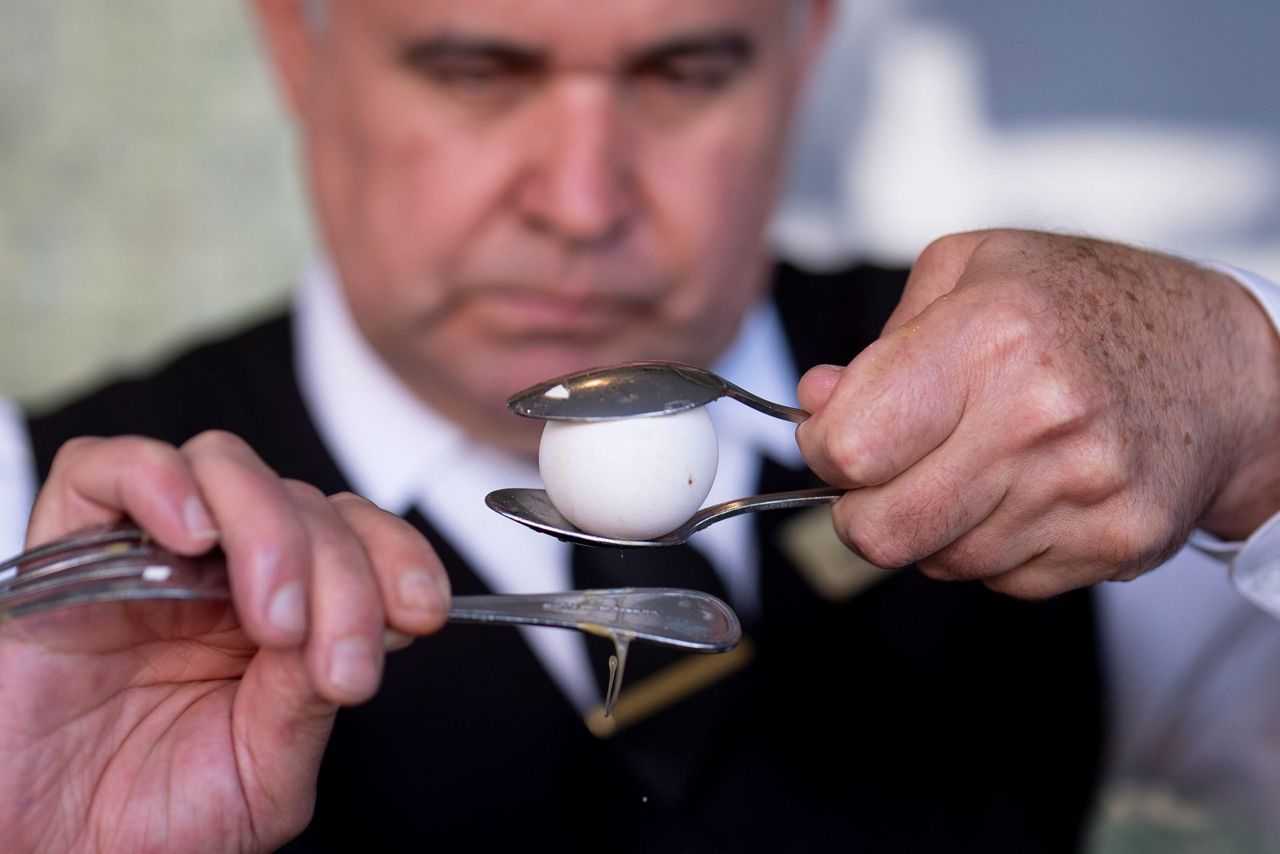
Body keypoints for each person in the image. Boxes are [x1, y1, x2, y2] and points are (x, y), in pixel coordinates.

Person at [1, 0, 1278, 850]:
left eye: (682, 72)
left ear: (804, 45)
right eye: (474, 71)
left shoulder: (1063, 425)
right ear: (295, 41)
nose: (579, 199)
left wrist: (1253, 398)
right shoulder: (42, 564)